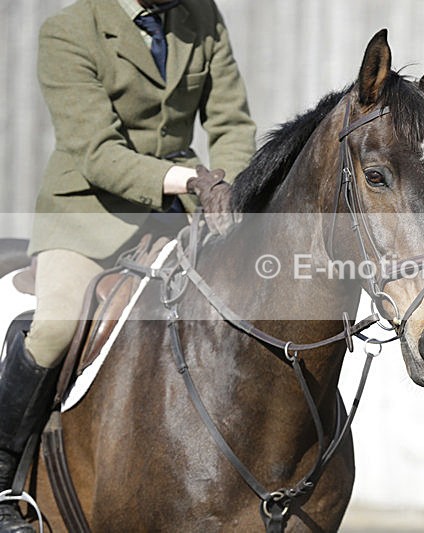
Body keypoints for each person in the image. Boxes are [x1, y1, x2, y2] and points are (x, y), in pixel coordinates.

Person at [0, 0, 256, 530]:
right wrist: (190, 180)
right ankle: (3, 480)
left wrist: (229, 186)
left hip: (180, 214)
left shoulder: (201, 15)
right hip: (87, 214)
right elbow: (96, 152)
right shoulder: (67, 31)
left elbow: (230, 120)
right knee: (54, 327)